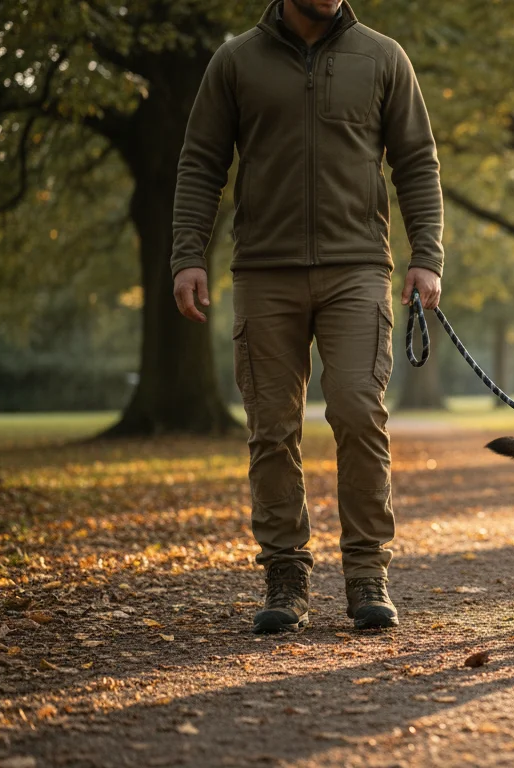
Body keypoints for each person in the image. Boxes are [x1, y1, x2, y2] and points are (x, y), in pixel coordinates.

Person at [169, 0, 443, 633]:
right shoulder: (235, 61)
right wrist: (189, 255)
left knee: (356, 407)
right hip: (265, 269)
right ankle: (285, 573)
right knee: (271, 425)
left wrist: (426, 256)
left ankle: (366, 571)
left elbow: (416, 163)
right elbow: (201, 162)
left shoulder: (382, 57)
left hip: (357, 268)